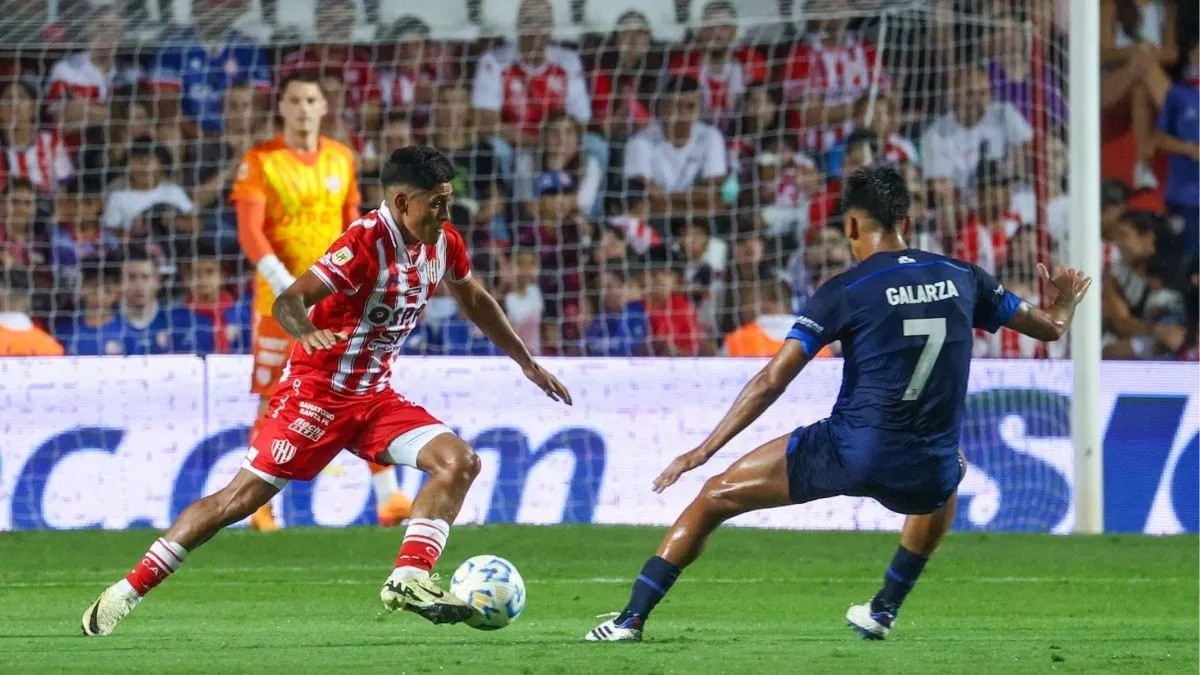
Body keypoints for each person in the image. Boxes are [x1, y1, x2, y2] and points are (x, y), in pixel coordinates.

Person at [585, 164, 1092, 642]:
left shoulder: (846, 289)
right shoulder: (964, 276)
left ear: (851, 224)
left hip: (850, 450)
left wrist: (702, 450)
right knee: (951, 470)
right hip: (924, 471)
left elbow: (771, 380)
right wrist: (1066, 298)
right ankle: (885, 607)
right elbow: (1050, 327)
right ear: (907, 222)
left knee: (716, 496)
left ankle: (631, 619)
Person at [81, 146, 572, 637]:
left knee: (459, 461)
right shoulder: (363, 243)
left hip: (374, 398)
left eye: (448, 202)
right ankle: (126, 591)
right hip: (317, 394)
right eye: (436, 204)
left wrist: (526, 362)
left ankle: (409, 577)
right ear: (402, 203)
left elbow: (476, 299)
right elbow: (290, 300)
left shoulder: (444, 243)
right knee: (237, 501)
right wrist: (304, 331)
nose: (445, 214)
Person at [231, 71, 410, 531]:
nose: (304, 108)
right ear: (282, 108)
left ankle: (390, 500)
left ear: (324, 107)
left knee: (358, 386)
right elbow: (250, 232)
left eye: (311, 99)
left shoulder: (341, 158)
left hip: (337, 297)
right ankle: (258, 506)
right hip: (280, 300)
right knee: (275, 396)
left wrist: (367, 276)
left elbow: (354, 225)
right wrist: (282, 281)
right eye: (295, 100)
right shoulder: (260, 161)